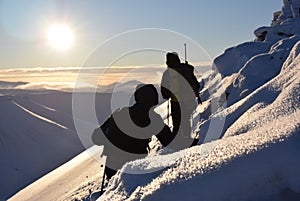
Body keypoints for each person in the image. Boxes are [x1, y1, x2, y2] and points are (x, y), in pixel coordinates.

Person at [92, 84, 174, 179]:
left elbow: (96, 138)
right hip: (134, 168)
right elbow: (169, 140)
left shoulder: (120, 113)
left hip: (112, 167)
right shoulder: (153, 119)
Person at [161, 52, 200, 149]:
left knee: (177, 122)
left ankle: (178, 143)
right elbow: (197, 85)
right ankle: (187, 140)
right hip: (188, 101)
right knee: (186, 120)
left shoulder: (168, 73)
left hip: (176, 101)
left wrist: (167, 95)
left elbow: (164, 92)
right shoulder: (187, 69)